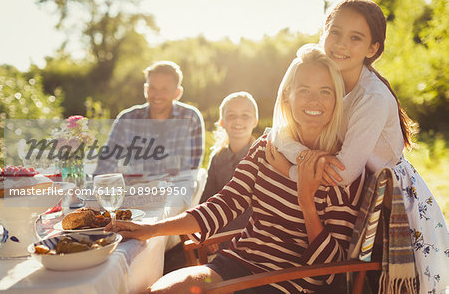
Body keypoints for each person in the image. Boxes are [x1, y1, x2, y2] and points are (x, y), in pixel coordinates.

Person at [106, 45, 365, 293]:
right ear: (288, 96)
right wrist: (152, 229)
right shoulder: (268, 146)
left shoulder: (342, 167)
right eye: (305, 90)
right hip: (236, 263)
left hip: (289, 282)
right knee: (159, 291)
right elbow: (225, 204)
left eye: (325, 91)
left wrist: (306, 201)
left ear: (337, 98)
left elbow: (330, 269)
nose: (314, 100)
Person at [268, 0, 449, 294]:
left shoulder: (372, 98)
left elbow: (343, 174)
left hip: (387, 197)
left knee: (383, 285)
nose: (341, 44)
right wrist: (305, 158)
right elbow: (280, 129)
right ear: (324, 31)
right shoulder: (319, 72)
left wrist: (290, 170)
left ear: (372, 49)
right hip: (348, 197)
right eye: (336, 33)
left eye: (356, 38)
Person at [94, 60, 205, 176]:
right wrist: (100, 183)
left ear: (177, 93)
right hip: (135, 190)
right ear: (145, 90)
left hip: (175, 190)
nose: (157, 95)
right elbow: (106, 163)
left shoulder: (191, 118)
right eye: (152, 88)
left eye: (164, 89)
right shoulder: (126, 119)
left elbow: (190, 171)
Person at [200, 91, 258, 252]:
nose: (238, 121)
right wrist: (208, 230)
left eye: (245, 116)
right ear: (222, 122)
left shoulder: (263, 156)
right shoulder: (218, 157)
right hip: (220, 237)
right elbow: (207, 199)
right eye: (231, 115)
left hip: (252, 237)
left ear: (255, 121)